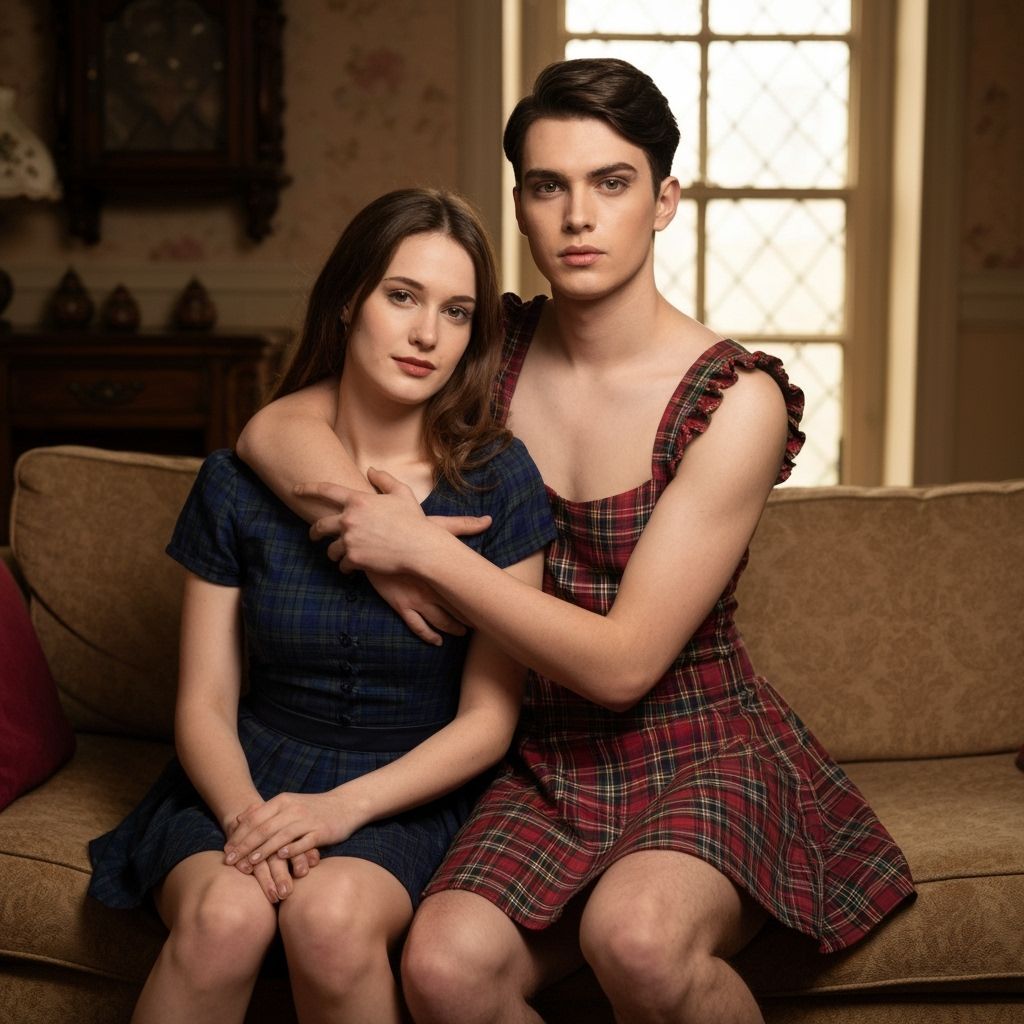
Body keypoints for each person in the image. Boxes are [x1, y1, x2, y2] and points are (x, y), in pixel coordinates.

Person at [235, 60, 915, 1024]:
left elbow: (626, 665)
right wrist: (367, 521)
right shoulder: (485, 352)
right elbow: (274, 429)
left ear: (664, 199)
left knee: (633, 938)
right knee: (442, 972)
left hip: (698, 742)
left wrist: (427, 553)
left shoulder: (736, 399)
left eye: (612, 182)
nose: (578, 216)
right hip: (534, 752)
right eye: (549, 186)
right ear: (518, 207)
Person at [86, 187, 557, 1024]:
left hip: (408, 791)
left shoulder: (499, 481)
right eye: (402, 296)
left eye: (455, 312)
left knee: (330, 920)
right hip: (246, 777)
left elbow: (490, 721)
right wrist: (247, 822)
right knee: (223, 918)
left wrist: (339, 811)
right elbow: (203, 700)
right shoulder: (239, 481)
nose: (425, 335)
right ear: (349, 301)